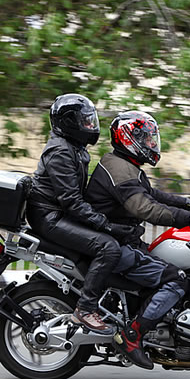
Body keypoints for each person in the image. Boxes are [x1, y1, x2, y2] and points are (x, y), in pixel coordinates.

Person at [86, 110, 190, 368]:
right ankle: (131, 336)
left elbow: (154, 195)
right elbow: (146, 208)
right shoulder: (119, 169)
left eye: (151, 138)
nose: (151, 143)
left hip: (123, 240)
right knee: (176, 279)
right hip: (114, 243)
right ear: (129, 138)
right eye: (146, 138)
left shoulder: (125, 165)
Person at [25, 94, 139, 335]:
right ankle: (85, 309)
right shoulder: (60, 152)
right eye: (85, 121)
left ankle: (107, 301)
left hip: (58, 214)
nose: (91, 126)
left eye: (91, 121)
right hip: (49, 218)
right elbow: (72, 202)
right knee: (108, 247)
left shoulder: (74, 148)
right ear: (68, 123)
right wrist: (107, 226)